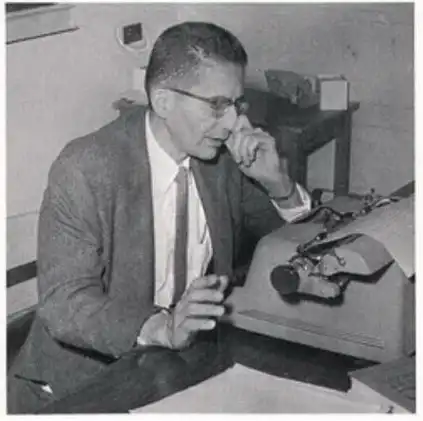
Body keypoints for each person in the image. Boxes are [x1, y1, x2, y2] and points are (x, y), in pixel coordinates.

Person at [7, 21, 340, 414]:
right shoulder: (86, 168)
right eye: (217, 105)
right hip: (84, 384)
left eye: (237, 104)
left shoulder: (219, 158)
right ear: (163, 101)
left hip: (172, 369)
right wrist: (162, 328)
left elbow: (291, 250)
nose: (234, 123)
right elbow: (65, 303)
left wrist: (279, 184)